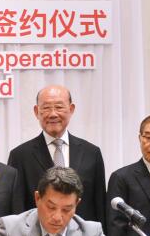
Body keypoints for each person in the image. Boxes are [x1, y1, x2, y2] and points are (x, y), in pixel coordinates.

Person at [7, 85, 108, 223]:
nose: (53, 114)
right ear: (36, 111)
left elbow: (100, 205)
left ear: (71, 109)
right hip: (37, 233)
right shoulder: (20, 156)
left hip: (82, 234)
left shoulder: (91, 153)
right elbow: (17, 207)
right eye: (46, 108)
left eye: (59, 107)